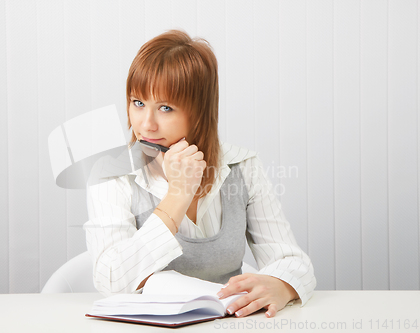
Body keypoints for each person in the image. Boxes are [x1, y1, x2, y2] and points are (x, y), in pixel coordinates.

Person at [84, 29, 316, 318]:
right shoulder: (112, 175)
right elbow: (111, 280)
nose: (146, 125)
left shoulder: (242, 166)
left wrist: (282, 285)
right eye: (138, 103)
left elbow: (293, 261)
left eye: (165, 108)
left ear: (200, 111)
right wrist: (178, 195)